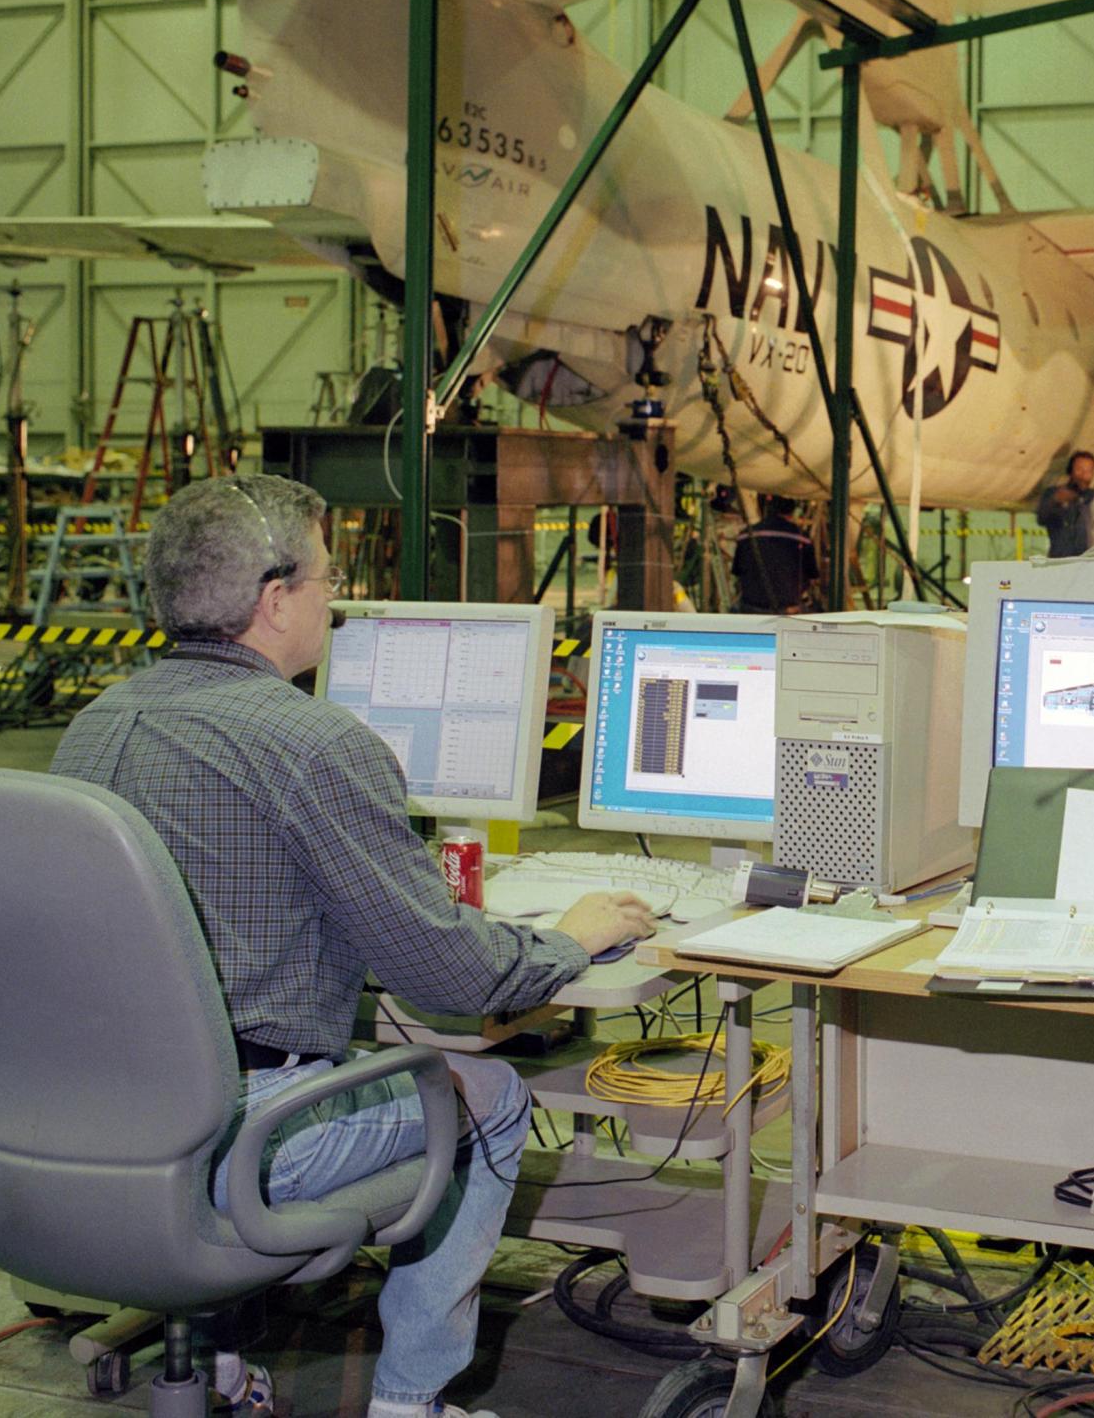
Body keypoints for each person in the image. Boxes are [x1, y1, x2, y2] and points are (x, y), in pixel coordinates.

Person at [52, 475, 654, 1418]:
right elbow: (450, 975)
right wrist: (570, 942)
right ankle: (412, 1397)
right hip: (237, 1138)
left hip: (89, 1119)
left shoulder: (95, 726)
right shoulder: (312, 742)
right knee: (490, 1096)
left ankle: (213, 1360)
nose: (337, 601)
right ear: (275, 597)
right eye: (332, 581)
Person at [731, 493, 819, 614]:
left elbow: (737, 572)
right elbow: (812, 577)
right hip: (788, 608)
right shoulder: (802, 538)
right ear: (793, 510)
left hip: (751, 607)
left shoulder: (746, 536)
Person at [1036, 449, 1094, 558]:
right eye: (1079, 469)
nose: (1083, 475)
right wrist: (1055, 501)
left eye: (1088, 471)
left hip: (1088, 561)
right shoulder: (1054, 493)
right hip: (1059, 560)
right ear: (1070, 470)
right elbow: (1041, 518)